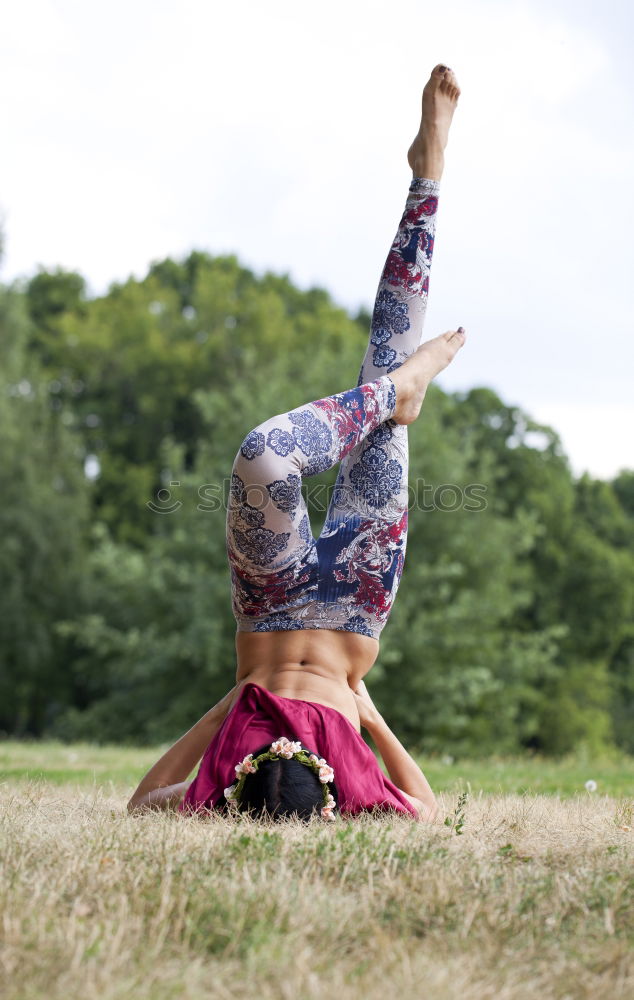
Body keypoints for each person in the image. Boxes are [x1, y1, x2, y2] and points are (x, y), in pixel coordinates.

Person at [128, 64, 464, 823]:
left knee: (265, 454)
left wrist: (226, 711)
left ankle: (396, 391)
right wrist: (370, 721)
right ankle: (428, 178)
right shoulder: (352, 793)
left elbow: (142, 803)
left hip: (269, 602)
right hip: (355, 604)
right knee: (387, 353)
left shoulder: (223, 786)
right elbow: (431, 811)